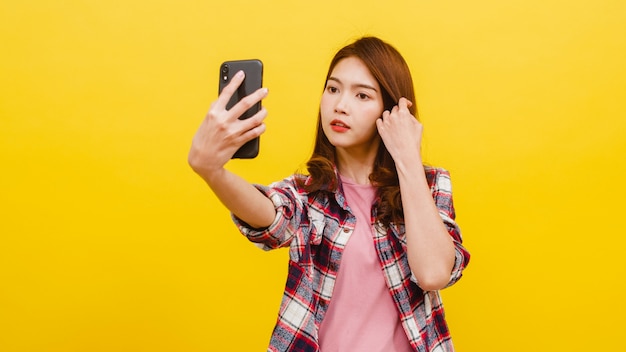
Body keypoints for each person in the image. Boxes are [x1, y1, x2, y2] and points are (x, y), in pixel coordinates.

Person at [188, 36, 470, 352]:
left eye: (362, 95)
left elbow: (433, 273)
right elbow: (270, 216)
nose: (340, 105)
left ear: (391, 111)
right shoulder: (307, 195)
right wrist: (212, 171)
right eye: (333, 89)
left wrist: (407, 158)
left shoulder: (430, 185)